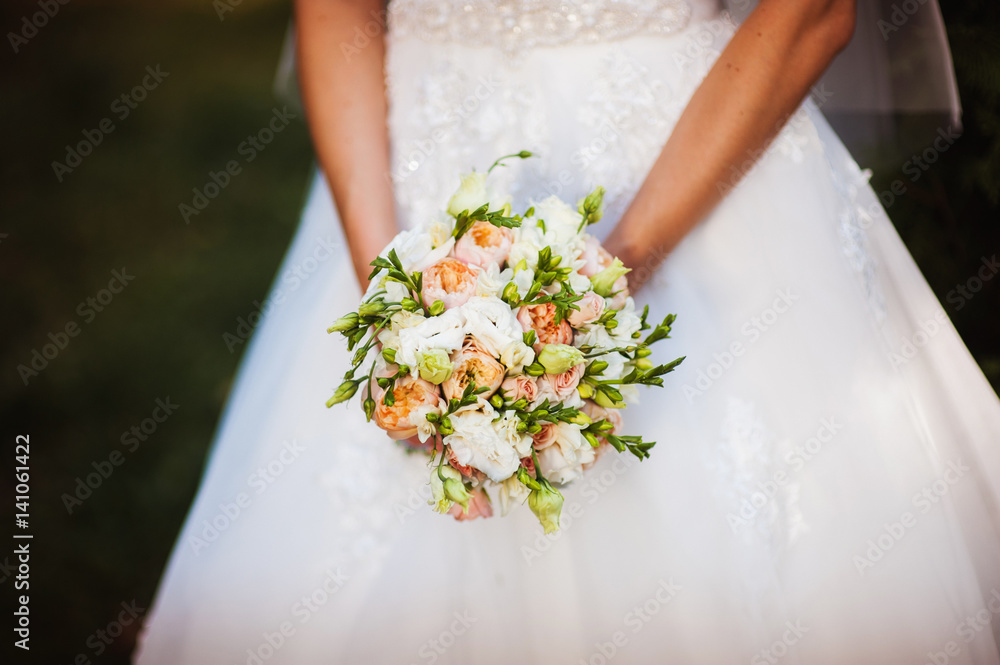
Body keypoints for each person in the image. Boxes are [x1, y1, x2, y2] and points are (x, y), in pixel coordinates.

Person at [135, 0, 1000, 663]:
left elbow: (814, 9)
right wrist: (393, 298)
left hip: (695, 164)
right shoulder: (394, 283)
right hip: (409, 183)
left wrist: (614, 270)